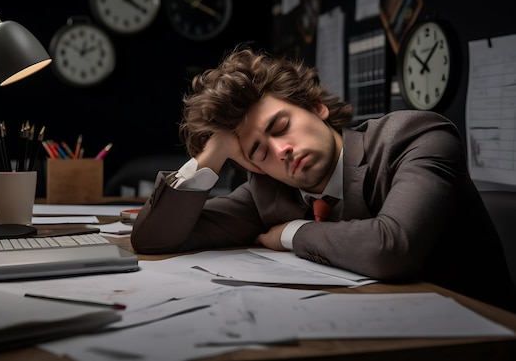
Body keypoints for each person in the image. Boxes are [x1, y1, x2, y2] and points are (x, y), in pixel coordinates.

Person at [130, 45, 515, 312]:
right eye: (259, 152)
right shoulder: (268, 192)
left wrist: (290, 233)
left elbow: (390, 248)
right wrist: (211, 155)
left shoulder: (416, 136)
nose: (280, 150)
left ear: (317, 108)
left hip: (481, 334)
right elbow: (153, 239)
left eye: (281, 126)